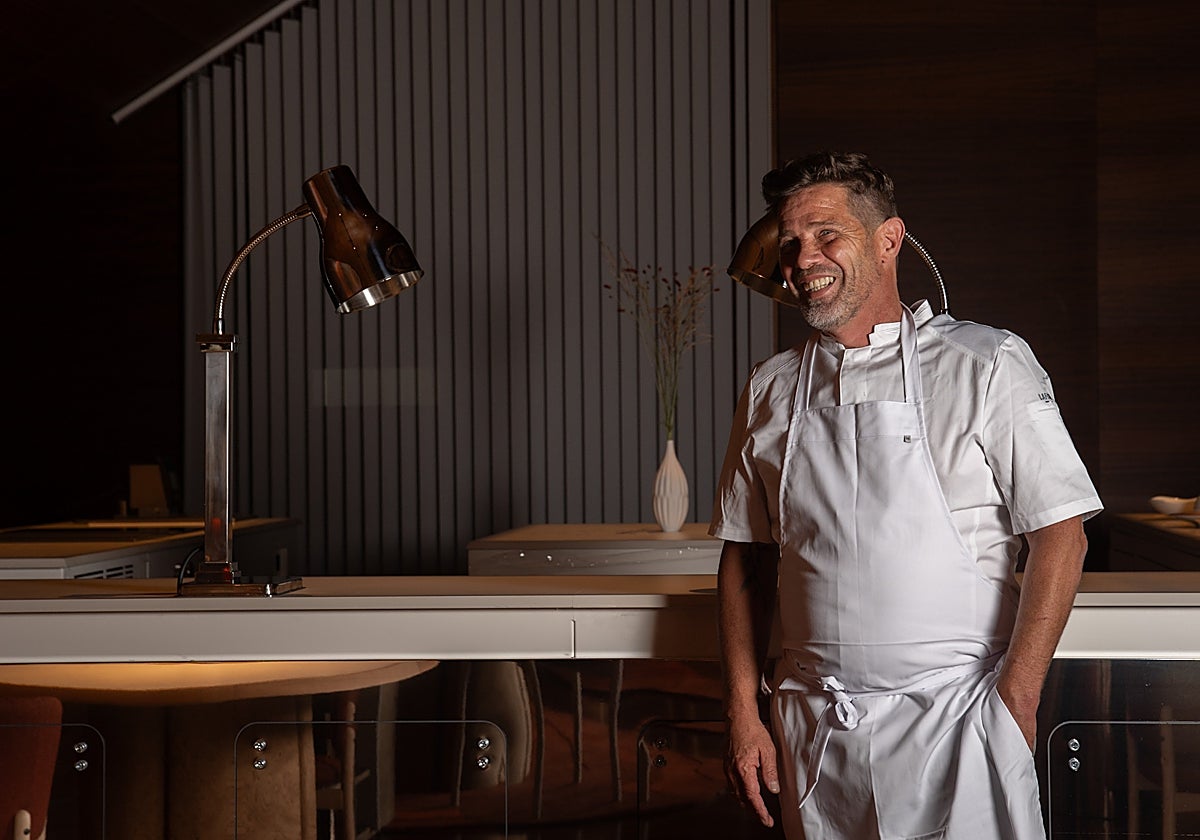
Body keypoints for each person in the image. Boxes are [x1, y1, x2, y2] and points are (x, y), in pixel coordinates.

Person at [711, 151, 1102, 839]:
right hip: (814, 732)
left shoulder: (988, 362)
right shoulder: (768, 388)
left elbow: (1061, 534)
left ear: (889, 240)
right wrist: (746, 711)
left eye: (827, 234)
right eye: (792, 241)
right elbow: (746, 559)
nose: (804, 258)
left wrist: (1017, 695)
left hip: (958, 726)